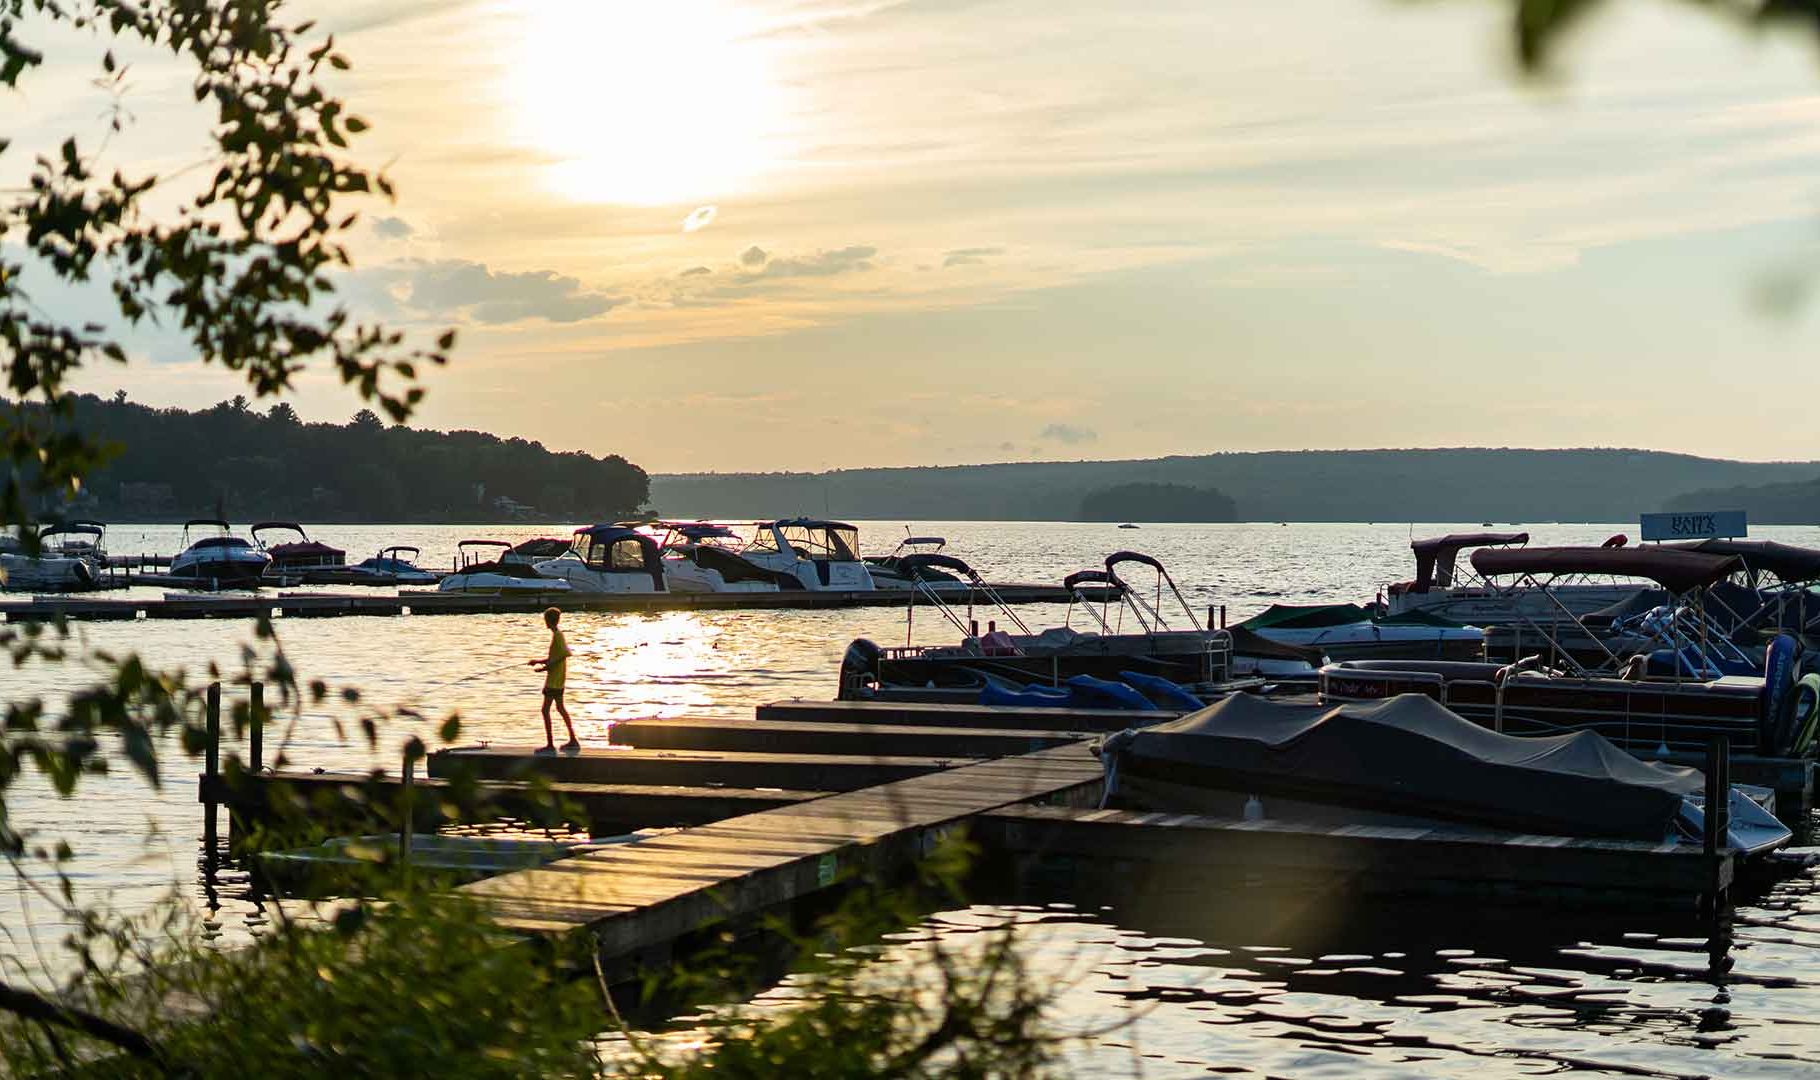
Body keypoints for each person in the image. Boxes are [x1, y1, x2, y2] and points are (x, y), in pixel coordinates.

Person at [529, 606, 578, 755]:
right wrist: (538, 661)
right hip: (557, 680)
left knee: (545, 710)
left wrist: (545, 668)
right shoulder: (557, 635)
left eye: (545, 619)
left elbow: (563, 655)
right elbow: (555, 657)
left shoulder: (558, 635)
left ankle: (550, 744)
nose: (545, 622)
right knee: (560, 709)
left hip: (554, 681)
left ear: (549, 621)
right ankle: (573, 740)